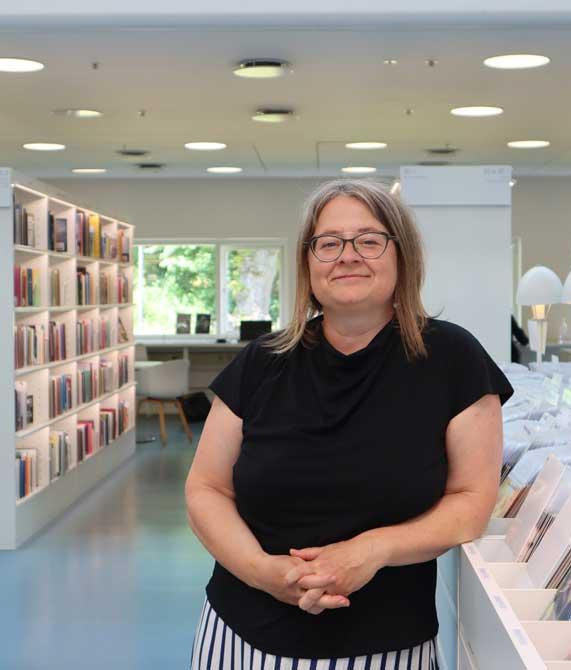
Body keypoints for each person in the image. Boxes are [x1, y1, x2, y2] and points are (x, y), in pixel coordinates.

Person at [185, 179, 513, 669]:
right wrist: (265, 573)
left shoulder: (453, 360)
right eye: (329, 243)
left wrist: (371, 550)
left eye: (369, 240)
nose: (348, 255)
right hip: (239, 637)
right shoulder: (260, 363)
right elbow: (206, 488)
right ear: (308, 262)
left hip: (385, 645)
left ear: (402, 256)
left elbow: (470, 502)